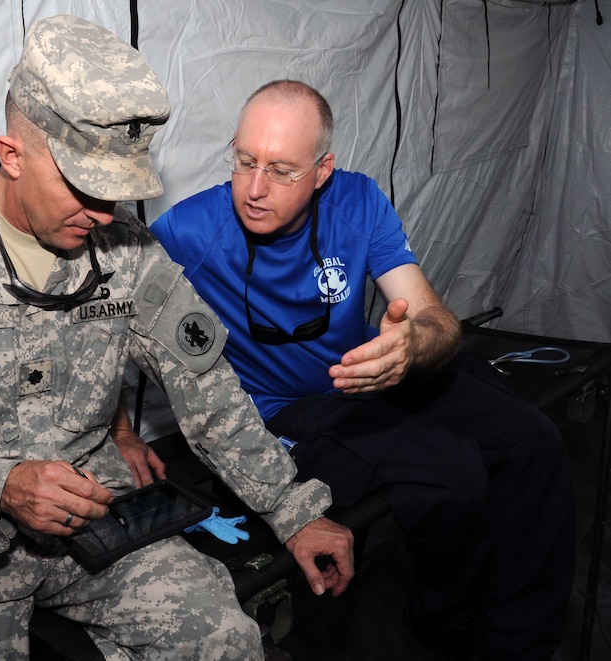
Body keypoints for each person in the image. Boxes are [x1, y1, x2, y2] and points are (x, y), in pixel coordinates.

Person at [0, 22, 354, 661]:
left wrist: (293, 509)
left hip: (95, 531)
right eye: (84, 187)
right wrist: (1, 487)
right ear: (12, 154)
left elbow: (208, 389)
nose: (103, 213)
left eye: (117, 191)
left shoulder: (127, 253)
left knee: (223, 640)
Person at [150, 79, 576, 661]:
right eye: (245, 161)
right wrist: (123, 429)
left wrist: (411, 346)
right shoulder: (188, 230)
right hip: (285, 411)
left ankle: (518, 644)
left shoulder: (358, 201)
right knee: (448, 473)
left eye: (281, 170)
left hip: (368, 380)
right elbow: (112, 317)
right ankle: (441, 631)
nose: (253, 188)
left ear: (322, 170)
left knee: (533, 441)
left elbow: (434, 318)